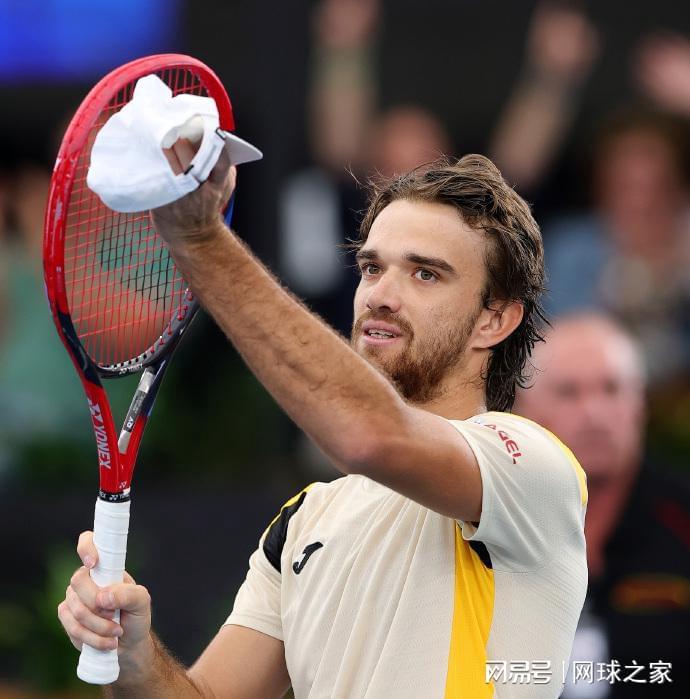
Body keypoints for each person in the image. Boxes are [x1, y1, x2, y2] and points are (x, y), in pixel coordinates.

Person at [58, 151, 587, 698]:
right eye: (372, 268)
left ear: (493, 320)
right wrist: (132, 655)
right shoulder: (304, 520)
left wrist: (200, 238)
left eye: (425, 274)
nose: (380, 296)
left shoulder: (531, 467)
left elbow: (369, 436)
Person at [515, 313, 690, 697]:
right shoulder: (491, 526)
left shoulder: (682, 518)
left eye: (612, 389)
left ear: (640, 403)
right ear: (526, 411)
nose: (593, 412)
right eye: (568, 392)